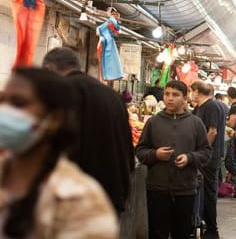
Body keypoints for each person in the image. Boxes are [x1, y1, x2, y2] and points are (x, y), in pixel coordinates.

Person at [0, 68, 118, 237]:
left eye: (18, 103)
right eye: (2, 101)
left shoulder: (80, 201)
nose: (4, 111)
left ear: (55, 118)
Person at [42, 47, 134, 214]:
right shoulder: (113, 96)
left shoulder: (60, 92)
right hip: (112, 194)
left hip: (74, 199)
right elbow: (128, 149)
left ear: (48, 69)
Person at [136, 80, 211, 239]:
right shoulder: (153, 122)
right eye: (167, 94)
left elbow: (206, 152)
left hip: (186, 189)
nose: (170, 98)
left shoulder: (195, 123)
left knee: (181, 233)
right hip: (157, 189)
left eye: (175, 95)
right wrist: (155, 154)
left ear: (185, 98)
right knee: (157, 233)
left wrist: (189, 158)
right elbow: (140, 151)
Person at [191, 80, 225, 239]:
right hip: (209, 155)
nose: (192, 95)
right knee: (206, 191)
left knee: (209, 192)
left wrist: (203, 150)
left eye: (192, 91)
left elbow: (212, 131)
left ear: (197, 91)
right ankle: (205, 226)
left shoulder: (210, 106)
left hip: (209, 157)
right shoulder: (207, 106)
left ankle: (212, 230)